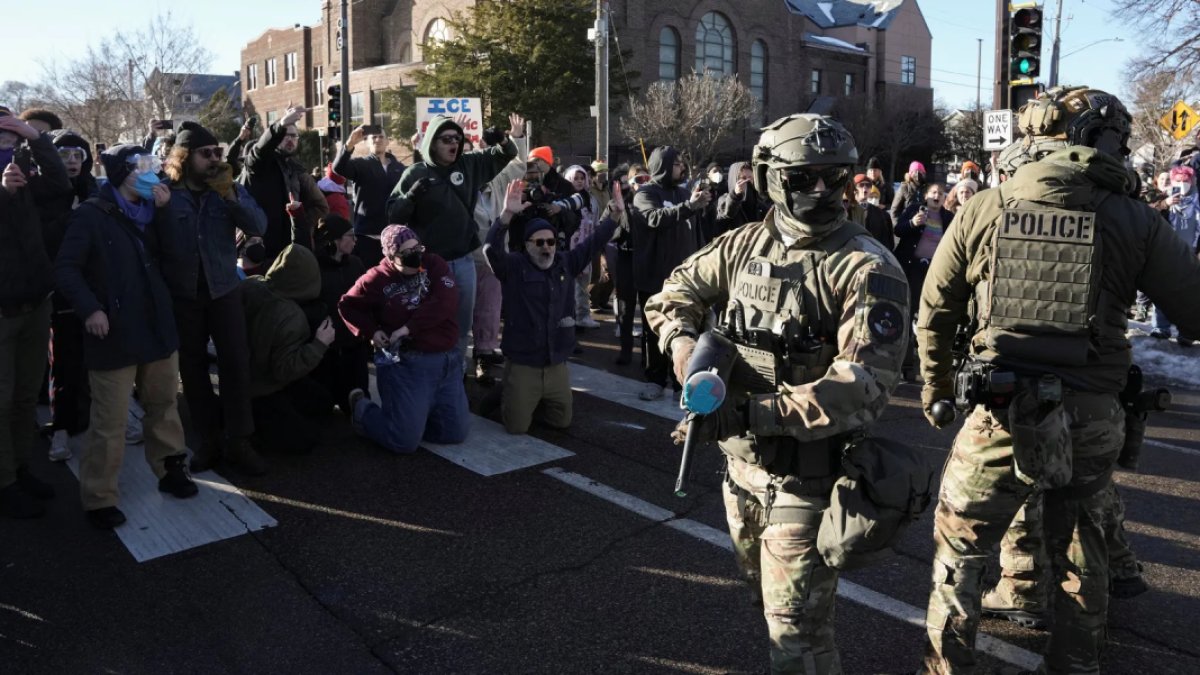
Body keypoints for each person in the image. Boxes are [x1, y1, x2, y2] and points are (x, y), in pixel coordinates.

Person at [915, 85, 1200, 675]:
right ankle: (1075, 665)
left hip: (999, 409)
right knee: (1081, 552)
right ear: (1104, 143)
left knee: (960, 552)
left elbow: (936, 310)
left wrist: (936, 390)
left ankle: (945, 667)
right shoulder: (1136, 219)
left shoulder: (986, 207)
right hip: (1093, 413)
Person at [644, 114, 909, 673]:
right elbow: (672, 295)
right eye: (803, 177)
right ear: (769, 178)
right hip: (740, 473)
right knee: (768, 604)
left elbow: (862, 386)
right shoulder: (744, 245)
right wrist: (685, 349)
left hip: (808, 481)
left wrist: (748, 414)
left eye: (835, 178)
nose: (821, 191)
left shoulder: (867, 266)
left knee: (798, 637)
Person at [54, 145, 198, 529]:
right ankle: (99, 497)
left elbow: (179, 259)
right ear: (120, 173)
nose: (151, 174)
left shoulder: (155, 213)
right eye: (141, 167)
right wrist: (91, 309)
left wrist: (166, 215)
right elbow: (66, 269)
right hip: (114, 332)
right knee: (110, 420)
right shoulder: (91, 215)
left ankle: (170, 470)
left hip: (156, 325)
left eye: (153, 165)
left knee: (164, 404)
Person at [162, 122, 269, 475]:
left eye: (217, 153)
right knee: (192, 368)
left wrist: (229, 195)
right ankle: (208, 437)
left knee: (235, 363)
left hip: (223, 288)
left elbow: (259, 225)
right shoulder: (166, 192)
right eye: (205, 153)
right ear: (185, 156)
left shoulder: (227, 188)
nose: (213, 159)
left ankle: (240, 439)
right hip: (183, 293)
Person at [485, 180, 623, 434]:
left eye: (550, 242)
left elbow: (593, 242)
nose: (546, 247)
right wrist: (506, 215)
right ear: (527, 246)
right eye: (539, 243)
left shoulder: (565, 262)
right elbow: (491, 249)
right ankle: (509, 390)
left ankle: (527, 397)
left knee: (561, 422)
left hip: (555, 363)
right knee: (516, 427)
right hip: (524, 361)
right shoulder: (514, 266)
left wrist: (614, 216)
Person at [386, 113, 525, 362]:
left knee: (462, 322)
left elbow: (507, 154)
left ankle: (456, 371)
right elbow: (392, 215)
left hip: (463, 260)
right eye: (447, 139)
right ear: (432, 143)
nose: (454, 143)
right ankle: (429, 369)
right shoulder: (415, 173)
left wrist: (503, 140)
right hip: (427, 264)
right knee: (430, 320)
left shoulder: (469, 164)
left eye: (458, 139)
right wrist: (410, 198)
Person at [340, 225, 469, 453]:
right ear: (390, 256)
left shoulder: (434, 263)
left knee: (453, 433)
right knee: (403, 441)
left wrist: (409, 327)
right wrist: (371, 331)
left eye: (417, 248)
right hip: (409, 364)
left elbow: (446, 302)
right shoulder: (377, 278)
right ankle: (362, 410)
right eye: (406, 252)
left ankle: (415, 416)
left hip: (447, 361)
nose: (415, 256)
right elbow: (347, 305)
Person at [0, 108, 67, 518]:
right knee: (1, 400)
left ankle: (20, 467)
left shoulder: (27, 168)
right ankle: (4, 481)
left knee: (26, 395)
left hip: (35, 301)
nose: (7, 140)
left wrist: (35, 138)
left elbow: (61, 185)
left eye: (11, 133)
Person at [241, 244, 336, 456]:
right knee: (305, 439)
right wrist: (320, 344)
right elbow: (284, 370)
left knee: (320, 402)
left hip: (242, 375)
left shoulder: (251, 285)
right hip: (263, 387)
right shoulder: (292, 317)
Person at [631, 145, 710, 401]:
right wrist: (689, 206)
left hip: (683, 279)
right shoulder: (645, 193)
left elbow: (696, 232)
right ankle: (655, 380)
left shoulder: (685, 193)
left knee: (686, 331)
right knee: (654, 332)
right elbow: (654, 218)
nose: (682, 168)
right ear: (663, 165)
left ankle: (680, 383)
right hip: (653, 276)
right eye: (677, 164)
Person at [42, 130, 100, 462]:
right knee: (64, 361)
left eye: (78, 154)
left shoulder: (95, 189)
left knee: (104, 359)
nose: (72, 161)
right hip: (61, 290)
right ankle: (61, 426)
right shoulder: (44, 193)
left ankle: (116, 419)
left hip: (96, 288)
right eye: (64, 155)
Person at [471, 127, 528, 384]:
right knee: (461, 309)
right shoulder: (459, 179)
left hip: (492, 257)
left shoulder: (499, 177)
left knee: (490, 308)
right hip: (463, 256)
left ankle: (484, 353)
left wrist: (513, 138)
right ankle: (458, 358)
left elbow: (519, 165)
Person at [240, 105, 329, 266]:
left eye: (294, 136)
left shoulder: (295, 168)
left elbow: (320, 206)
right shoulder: (261, 164)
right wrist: (280, 125)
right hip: (261, 254)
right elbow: (258, 153)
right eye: (285, 135)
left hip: (289, 251)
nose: (290, 140)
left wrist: (299, 223)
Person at [311, 215, 369, 413]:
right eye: (350, 236)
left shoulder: (355, 263)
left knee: (359, 402)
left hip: (354, 342)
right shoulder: (315, 267)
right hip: (327, 346)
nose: (354, 240)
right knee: (322, 407)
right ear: (335, 239)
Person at [333, 124, 406, 264]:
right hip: (366, 238)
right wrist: (349, 144)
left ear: (387, 141)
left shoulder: (399, 168)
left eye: (381, 137)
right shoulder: (361, 165)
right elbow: (338, 168)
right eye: (373, 137)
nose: (377, 140)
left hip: (395, 239)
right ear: (367, 142)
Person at [1149, 165, 1199, 344]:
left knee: (1189, 296)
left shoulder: (1197, 201)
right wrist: (1165, 204)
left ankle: (1186, 332)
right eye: (1178, 181)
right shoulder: (1164, 197)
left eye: (1185, 181)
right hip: (1165, 253)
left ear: (1192, 181)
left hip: (1190, 255)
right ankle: (1160, 327)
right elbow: (1147, 214)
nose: (1182, 184)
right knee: (1162, 291)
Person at [612, 165, 649, 365]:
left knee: (648, 310)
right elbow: (607, 228)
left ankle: (648, 354)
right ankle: (626, 350)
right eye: (639, 180)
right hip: (626, 258)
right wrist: (618, 218)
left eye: (647, 179)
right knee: (626, 309)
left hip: (648, 260)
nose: (643, 184)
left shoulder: (655, 200)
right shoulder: (620, 202)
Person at [563, 164, 603, 329]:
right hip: (570, 245)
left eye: (582, 178)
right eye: (575, 178)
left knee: (584, 283)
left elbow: (595, 219)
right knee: (570, 284)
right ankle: (569, 316)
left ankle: (583, 315)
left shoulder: (591, 198)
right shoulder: (565, 198)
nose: (579, 182)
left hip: (587, 243)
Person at [714, 161, 769, 236]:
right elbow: (727, 211)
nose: (747, 181)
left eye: (750, 178)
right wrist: (736, 195)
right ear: (735, 179)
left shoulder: (759, 201)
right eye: (743, 178)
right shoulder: (724, 199)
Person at [849, 172, 894, 251]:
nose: (865, 188)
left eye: (868, 185)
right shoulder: (847, 210)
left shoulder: (879, 213)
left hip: (874, 256)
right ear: (854, 189)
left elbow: (886, 241)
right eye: (861, 185)